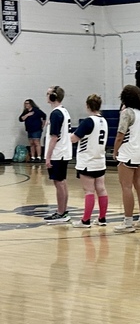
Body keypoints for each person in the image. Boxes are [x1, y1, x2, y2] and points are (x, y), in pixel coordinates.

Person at [112, 85, 140, 233]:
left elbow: (120, 134)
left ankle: (128, 222)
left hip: (128, 152)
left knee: (126, 187)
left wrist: (115, 151)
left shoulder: (127, 112)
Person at [69, 94, 109, 229]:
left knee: (89, 191)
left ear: (87, 106)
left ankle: (85, 220)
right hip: (100, 159)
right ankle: (102, 218)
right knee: (101, 189)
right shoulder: (104, 121)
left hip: (87, 159)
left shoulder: (88, 121)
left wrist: (67, 136)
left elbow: (74, 138)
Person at [43, 86, 72, 224]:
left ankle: (61, 213)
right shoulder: (64, 111)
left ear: (53, 96)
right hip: (63, 152)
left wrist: (48, 157)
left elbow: (54, 137)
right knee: (62, 182)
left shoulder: (56, 113)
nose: (46, 95)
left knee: (59, 183)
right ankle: (63, 211)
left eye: (48, 93)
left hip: (57, 153)